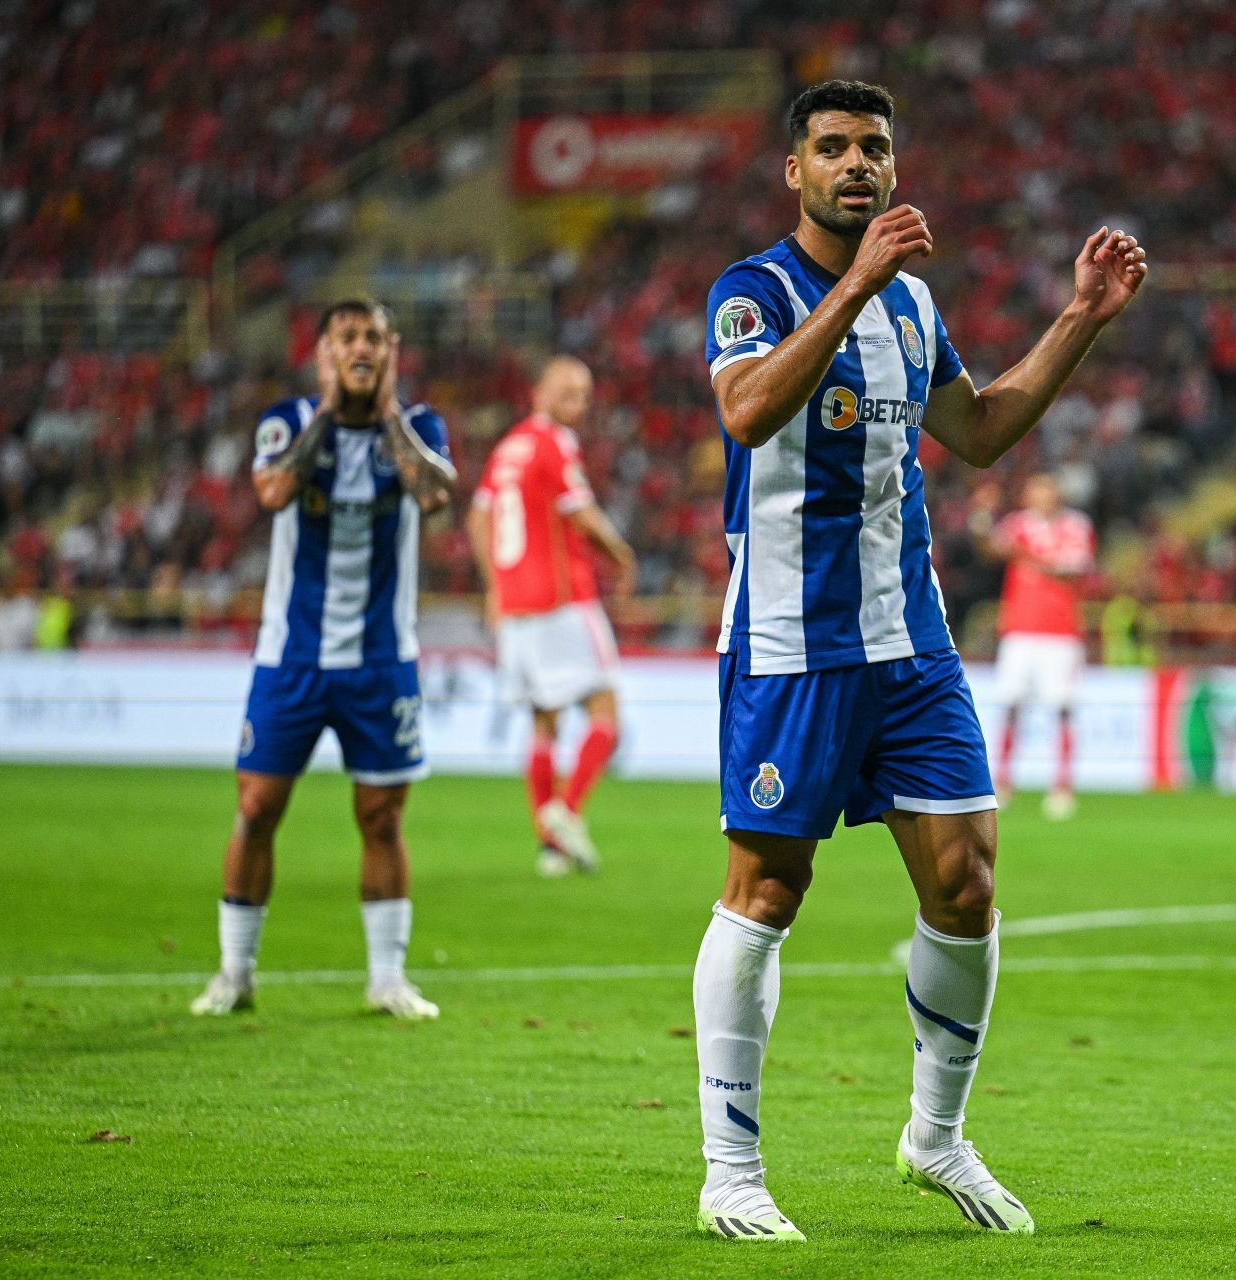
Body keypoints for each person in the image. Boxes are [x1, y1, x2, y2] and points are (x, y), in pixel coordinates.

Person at [692, 79, 1147, 1241]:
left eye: (876, 148)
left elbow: (982, 430)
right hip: (793, 644)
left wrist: (1081, 317)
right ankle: (729, 1170)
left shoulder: (912, 304)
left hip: (913, 641)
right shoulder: (750, 292)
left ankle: (934, 1137)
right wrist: (853, 283)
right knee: (768, 890)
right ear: (793, 170)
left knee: (968, 883)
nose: (858, 164)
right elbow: (744, 413)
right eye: (834, 147)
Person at [190, 300, 455, 1020]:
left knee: (381, 819)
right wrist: (331, 412)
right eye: (347, 338)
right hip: (291, 658)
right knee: (255, 808)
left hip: (380, 660)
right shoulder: (288, 420)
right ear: (323, 354)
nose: (361, 348)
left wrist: (386, 410)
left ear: (392, 350)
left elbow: (435, 495)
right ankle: (235, 972)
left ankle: (387, 978)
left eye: (373, 338)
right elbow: (273, 489)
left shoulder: (420, 427)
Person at [467, 356, 636, 876]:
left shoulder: (508, 448)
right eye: (566, 392)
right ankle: (566, 811)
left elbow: (478, 516)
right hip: (564, 599)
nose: (577, 404)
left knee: (544, 723)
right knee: (606, 715)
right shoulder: (555, 442)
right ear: (537, 392)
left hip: (517, 607)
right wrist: (620, 554)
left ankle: (549, 847)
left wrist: (495, 587)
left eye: (583, 394)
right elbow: (580, 512)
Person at [988, 473, 1095, 818]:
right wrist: (979, 518)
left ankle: (1062, 785)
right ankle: (1003, 781)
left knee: (1062, 708)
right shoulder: (1018, 523)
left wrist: (1026, 555)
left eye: (1045, 492)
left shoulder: (1076, 526)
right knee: (1011, 705)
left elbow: (1072, 570)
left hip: (1061, 632)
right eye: (1033, 492)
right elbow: (991, 548)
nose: (1039, 498)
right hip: (1019, 628)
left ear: (1057, 495)